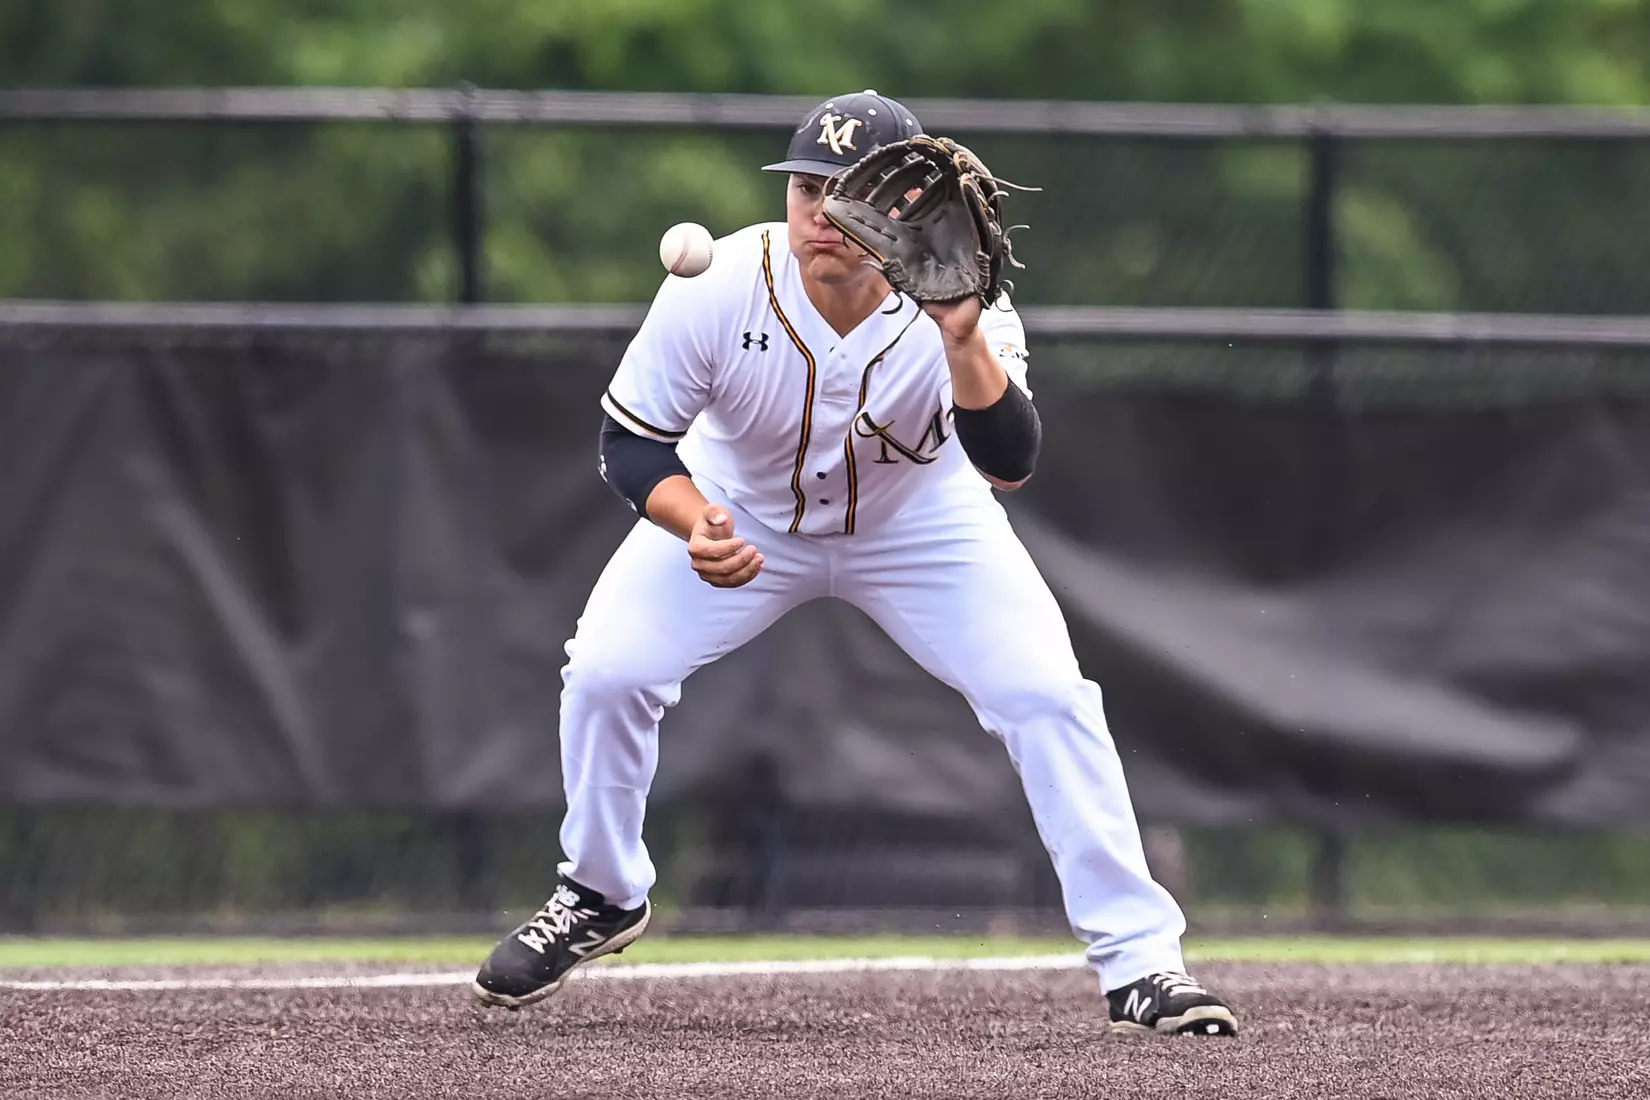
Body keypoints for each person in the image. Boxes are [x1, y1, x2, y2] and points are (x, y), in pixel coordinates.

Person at [471, 90, 1237, 1037]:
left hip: (922, 525)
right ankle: (600, 891)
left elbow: (1009, 462)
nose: (822, 211)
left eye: (851, 193)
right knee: (606, 672)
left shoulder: (964, 304)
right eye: (807, 187)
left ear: (908, 208)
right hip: (741, 506)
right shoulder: (719, 283)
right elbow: (629, 445)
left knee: (1049, 699)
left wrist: (962, 335)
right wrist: (695, 522)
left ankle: (1142, 963)